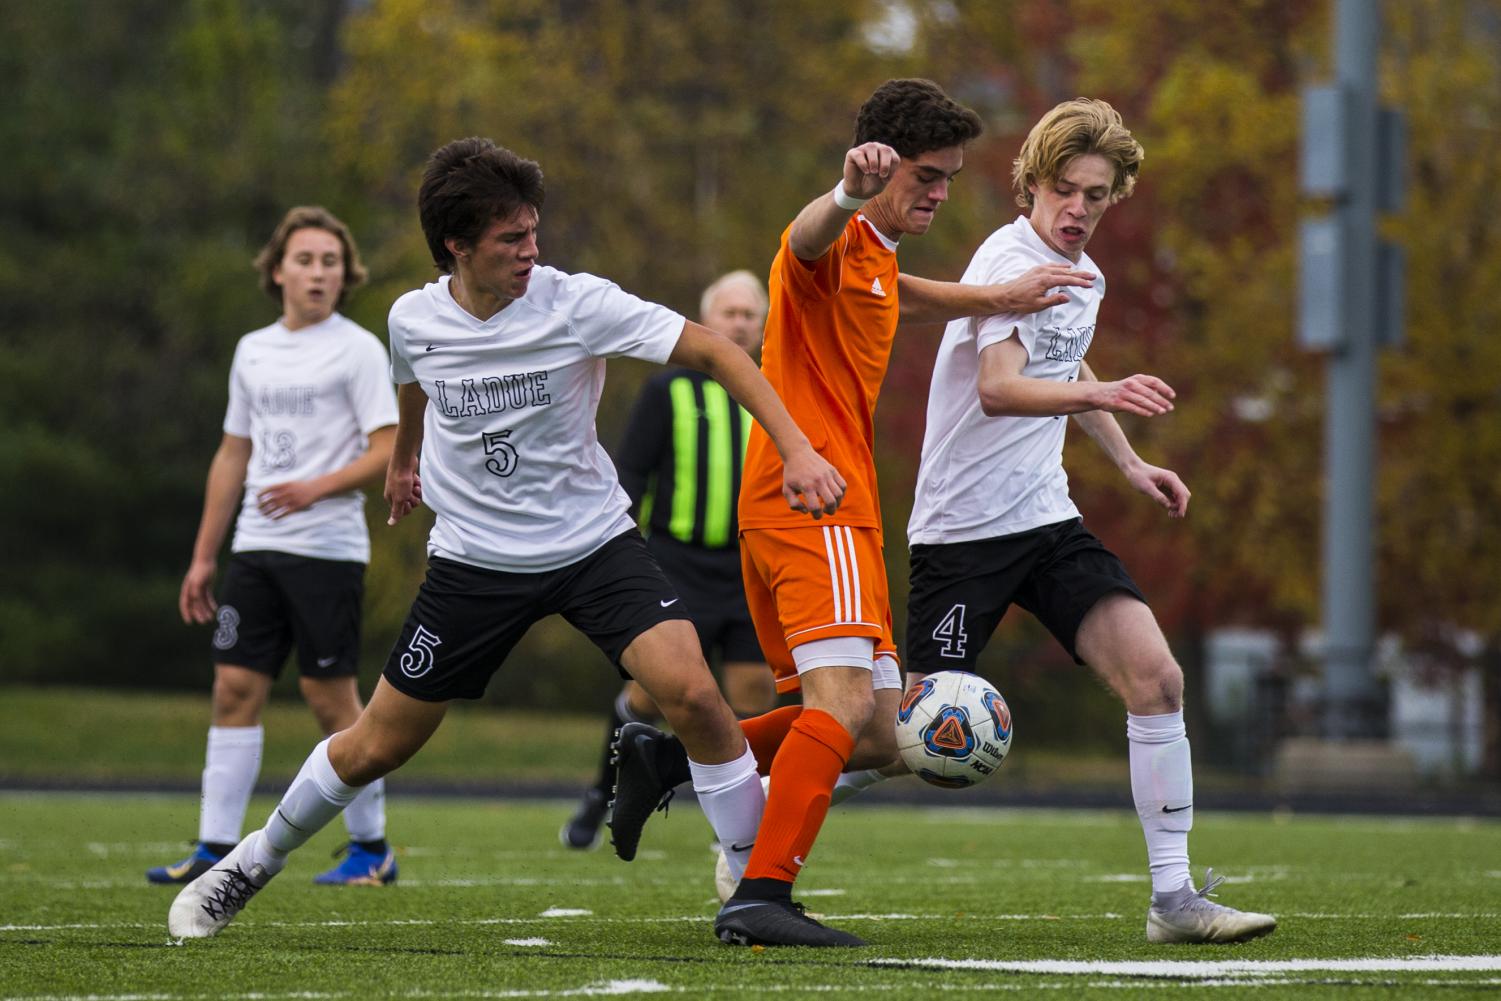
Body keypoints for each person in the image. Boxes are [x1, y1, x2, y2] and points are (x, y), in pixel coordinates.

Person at [167, 137, 846, 941]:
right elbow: (410, 378)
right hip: (473, 564)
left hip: (593, 545)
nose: (532, 251)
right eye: (510, 240)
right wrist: (404, 460)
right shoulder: (411, 316)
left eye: (533, 232)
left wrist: (798, 449)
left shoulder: (577, 302)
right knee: (377, 743)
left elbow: (716, 349)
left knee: (695, 693)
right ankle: (250, 862)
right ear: (457, 245)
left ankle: (748, 881)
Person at [607, 79, 1094, 948]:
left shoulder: (873, 254)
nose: (939, 193)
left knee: (874, 730)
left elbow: (904, 295)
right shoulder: (836, 235)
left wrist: (997, 299)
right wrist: (845, 191)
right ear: (880, 166)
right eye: (926, 175)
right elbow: (801, 241)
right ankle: (760, 893)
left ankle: (668, 758)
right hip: (810, 503)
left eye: (947, 178)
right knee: (839, 704)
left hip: (837, 510)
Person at [899, 98, 1276, 943]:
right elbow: (999, 389)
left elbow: (1063, 362)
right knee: (897, 738)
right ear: (1031, 186)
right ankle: (718, 772)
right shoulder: (1006, 256)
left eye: (1095, 194)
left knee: (1158, 677)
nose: (1077, 209)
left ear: (1114, 197)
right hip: (961, 535)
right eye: (1064, 189)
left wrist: (1127, 459)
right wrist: (1101, 394)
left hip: (1044, 522)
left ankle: (1173, 898)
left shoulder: (1085, 275)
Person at [148, 206, 400, 888]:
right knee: (233, 687)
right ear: (277, 270)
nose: (318, 272)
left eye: (330, 262)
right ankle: (214, 846)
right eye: (305, 259)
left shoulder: (359, 349)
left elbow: (388, 448)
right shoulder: (253, 349)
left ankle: (371, 847)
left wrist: (315, 487)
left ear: (345, 275)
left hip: (327, 549)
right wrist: (205, 555)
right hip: (255, 550)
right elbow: (233, 453)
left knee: (329, 698)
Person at [560, 270, 777, 851]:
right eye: (727, 313)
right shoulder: (669, 391)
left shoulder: (771, 388)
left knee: (755, 689)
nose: (739, 323)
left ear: (762, 324)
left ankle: (740, 825)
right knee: (652, 693)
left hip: (749, 567)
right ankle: (604, 790)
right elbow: (630, 471)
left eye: (749, 314)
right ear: (708, 322)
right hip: (676, 561)